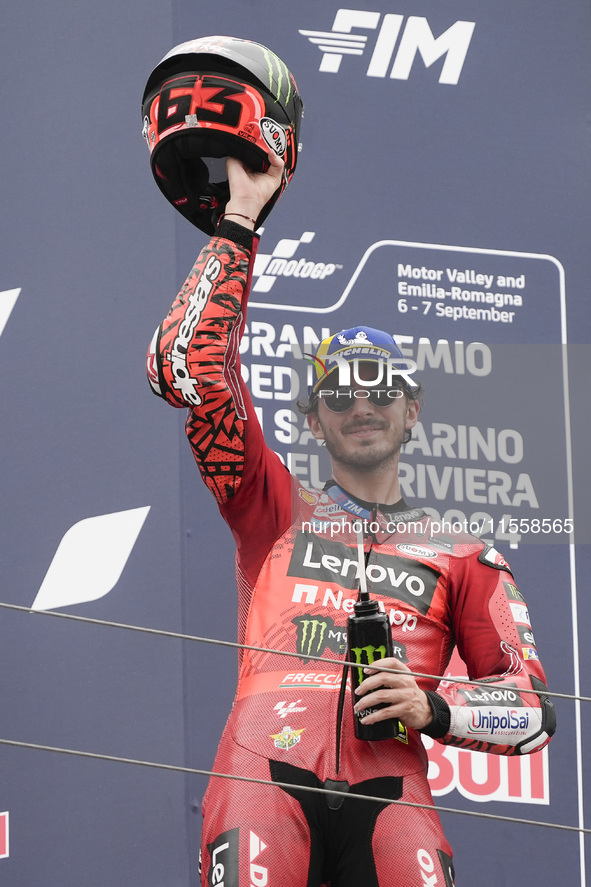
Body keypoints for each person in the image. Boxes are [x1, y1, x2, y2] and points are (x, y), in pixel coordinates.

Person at [147, 153, 556, 887]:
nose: (360, 405)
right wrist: (240, 220)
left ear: (411, 408)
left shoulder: (464, 551)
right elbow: (187, 369)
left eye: (381, 388)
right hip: (260, 772)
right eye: (338, 395)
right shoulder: (269, 506)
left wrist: (431, 704)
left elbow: (529, 709)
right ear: (312, 419)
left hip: (394, 789)